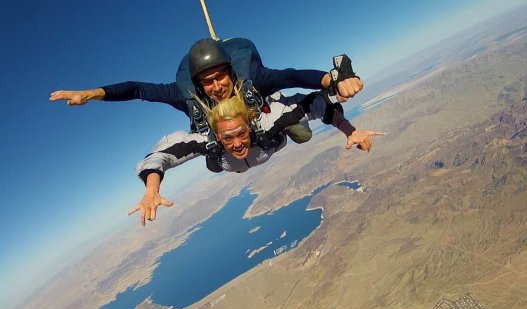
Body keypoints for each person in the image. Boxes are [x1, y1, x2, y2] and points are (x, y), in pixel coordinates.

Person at [129, 86, 383, 226]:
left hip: (271, 140)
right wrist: (152, 189)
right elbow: (158, 156)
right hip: (227, 158)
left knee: (302, 133)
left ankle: (270, 101)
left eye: (241, 133)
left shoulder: (266, 126)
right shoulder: (208, 142)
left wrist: (348, 129)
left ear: (249, 127)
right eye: (227, 137)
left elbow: (314, 103)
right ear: (217, 136)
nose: (237, 143)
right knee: (214, 163)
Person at [49, 38, 364, 143]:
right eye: (207, 82)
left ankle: (285, 124)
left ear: (230, 72)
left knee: (300, 133)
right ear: (198, 84)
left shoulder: (251, 78)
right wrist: (92, 94)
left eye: (220, 77)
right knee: (215, 156)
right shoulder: (188, 98)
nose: (216, 86)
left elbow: (291, 76)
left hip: (261, 119)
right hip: (228, 138)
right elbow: (139, 89)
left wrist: (332, 80)